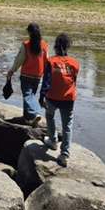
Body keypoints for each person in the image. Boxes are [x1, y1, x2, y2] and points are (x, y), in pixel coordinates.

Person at [39, 33, 79, 167]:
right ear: (67, 47)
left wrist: (41, 96)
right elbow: (73, 81)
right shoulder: (74, 62)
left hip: (52, 97)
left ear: (55, 46)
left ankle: (53, 140)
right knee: (67, 126)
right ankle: (64, 154)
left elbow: (46, 81)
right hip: (68, 98)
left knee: (50, 116)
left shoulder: (51, 61)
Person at [6, 22, 48, 127]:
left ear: (29, 32)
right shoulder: (43, 45)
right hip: (38, 75)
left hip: (26, 75)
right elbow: (46, 60)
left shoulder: (26, 45)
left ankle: (34, 113)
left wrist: (12, 70)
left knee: (28, 95)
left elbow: (19, 59)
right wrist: (47, 73)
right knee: (30, 96)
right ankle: (27, 117)